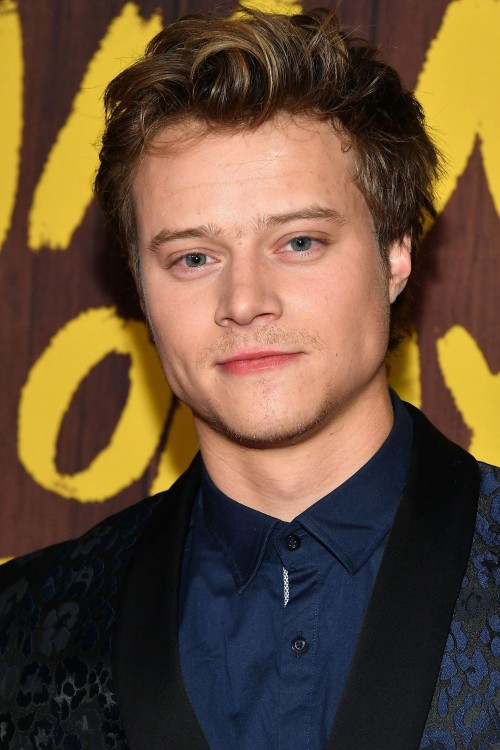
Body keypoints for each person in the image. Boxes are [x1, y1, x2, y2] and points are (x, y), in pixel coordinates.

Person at [1, 7, 498, 749]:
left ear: (396, 253)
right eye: (193, 258)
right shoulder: (20, 625)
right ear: (140, 285)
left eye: (298, 243)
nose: (243, 301)